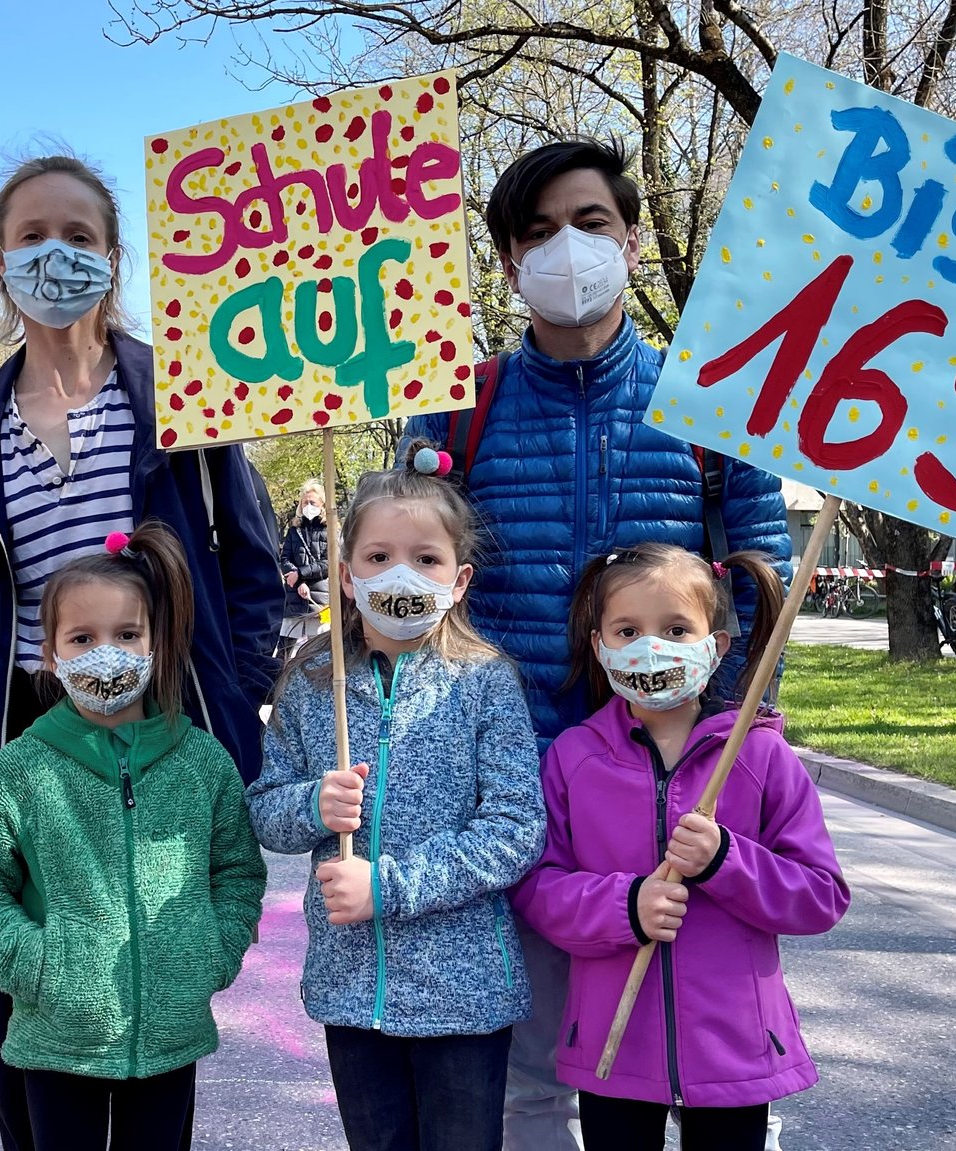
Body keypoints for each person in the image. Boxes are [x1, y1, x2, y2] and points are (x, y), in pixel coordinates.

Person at [400, 138, 794, 1151]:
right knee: (535, 1069)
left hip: (675, 789)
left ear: (628, 234)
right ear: (505, 263)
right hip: (520, 794)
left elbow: (761, 583)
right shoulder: (459, 402)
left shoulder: (711, 400)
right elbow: (413, 590)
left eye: (587, 222)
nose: (564, 248)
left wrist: (734, 751)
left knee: (708, 1059)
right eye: (535, 234)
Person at [0, 152, 283, 1151]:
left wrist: (229, 706)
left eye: (79, 235)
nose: (55, 254)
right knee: (27, 1035)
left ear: (115, 258)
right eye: (31, 237)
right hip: (31, 732)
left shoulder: (190, 397)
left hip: (157, 731)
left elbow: (249, 566)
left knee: (152, 1012)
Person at [248, 443, 547, 1151]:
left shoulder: (485, 681)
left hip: (464, 999)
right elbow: (265, 806)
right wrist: (311, 807)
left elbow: (514, 827)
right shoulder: (313, 680)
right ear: (346, 576)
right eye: (379, 557)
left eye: (425, 557)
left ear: (460, 576)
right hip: (352, 992)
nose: (401, 572)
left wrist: (390, 885)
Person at [0, 522, 265, 1151]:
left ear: (155, 643)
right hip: (57, 1041)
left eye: (126, 635)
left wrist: (210, 954)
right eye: (83, 638)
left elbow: (236, 873)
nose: (106, 653)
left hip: (170, 1036)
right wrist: (38, 966)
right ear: (53, 654)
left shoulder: (202, 763)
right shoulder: (22, 768)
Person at [513, 545, 848, 1151]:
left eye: (675, 629)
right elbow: (538, 889)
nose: (652, 646)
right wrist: (625, 906)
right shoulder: (573, 758)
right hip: (613, 1051)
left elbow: (821, 896)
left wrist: (727, 860)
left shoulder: (761, 757)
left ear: (714, 645)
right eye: (628, 630)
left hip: (734, 1050)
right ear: (599, 646)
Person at [277, 480, 330, 656]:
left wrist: (301, 573)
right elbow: (285, 558)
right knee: (284, 651)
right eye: (305, 502)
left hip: (318, 601)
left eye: (312, 502)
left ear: (322, 505)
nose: (308, 506)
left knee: (319, 653)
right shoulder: (294, 530)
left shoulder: (329, 530)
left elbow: (329, 563)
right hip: (294, 599)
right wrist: (298, 580)